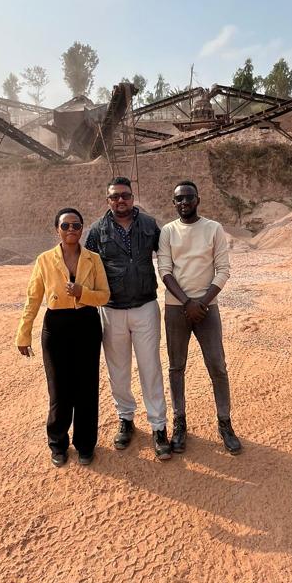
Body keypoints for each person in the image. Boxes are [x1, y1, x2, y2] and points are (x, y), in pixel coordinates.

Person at [16, 208, 110, 467]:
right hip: (56, 327)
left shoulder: (93, 259)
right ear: (57, 229)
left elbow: (104, 296)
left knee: (87, 387)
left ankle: (85, 444)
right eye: (66, 226)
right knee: (59, 389)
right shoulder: (44, 260)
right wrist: (23, 333)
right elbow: (33, 298)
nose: (71, 230)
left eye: (76, 226)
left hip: (87, 324)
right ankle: (57, 443)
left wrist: (83, 293)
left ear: (82, 229)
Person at [85, 177, 171, 460]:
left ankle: (158, 427)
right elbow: (87, 268)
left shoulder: (149, 225)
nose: (120, 200)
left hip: (145, 306)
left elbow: (170, 256)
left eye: (125, 195)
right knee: (118, 370)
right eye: (115, 197)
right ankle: (126, 419)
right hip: (112, 309)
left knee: (151, 368)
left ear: (132, 197)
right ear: (107, 200)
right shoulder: (97, 230)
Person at [157, 181, 242, 455]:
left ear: (198, 199)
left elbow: (223, 269)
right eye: (179, 199)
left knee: (217, 366)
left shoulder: (213, 228)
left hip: (207, 309)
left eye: (189, 198)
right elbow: (165, 270)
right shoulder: (168, 231)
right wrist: (186, 302)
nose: (184, 203)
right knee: (176, 368)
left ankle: (225, 423)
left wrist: (202, 303)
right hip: (175, 308)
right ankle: (179, 424)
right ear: (173, 203)